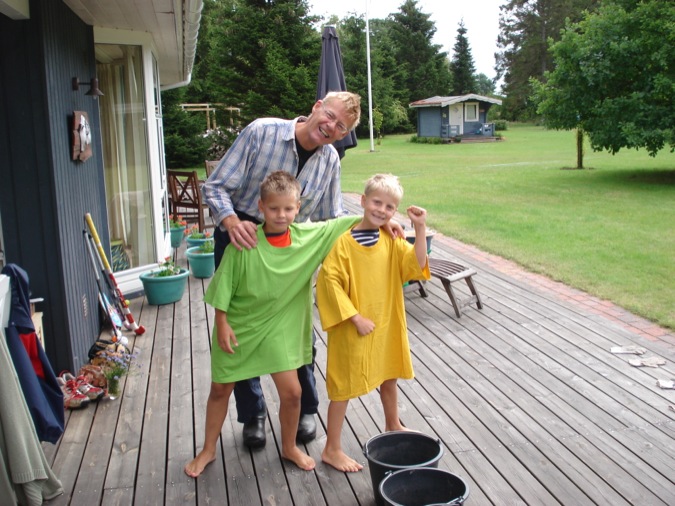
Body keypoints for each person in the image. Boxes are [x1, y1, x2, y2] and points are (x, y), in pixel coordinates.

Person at [202, 91, 381, 449]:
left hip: (289, 249)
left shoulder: (330, 160)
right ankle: (252, 414)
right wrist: (232, 221)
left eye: (341, 127)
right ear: (316, 108)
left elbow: (331, 215)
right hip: (242, 237)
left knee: (298, 329)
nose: (331, 127)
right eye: (330, 116)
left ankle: (305, 409)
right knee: (239, 329)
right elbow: (216, 186)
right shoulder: (262, 131)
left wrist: (376, 223)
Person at [185, 171, 362, 478]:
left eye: (289, 208)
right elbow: (222, 288)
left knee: (293, 393)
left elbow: (350, 222)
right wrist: (221, 323)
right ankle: (208, 449)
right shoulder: (244, 242)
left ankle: (289, 447)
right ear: (261, 207)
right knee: (220, 389)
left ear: (298, 208)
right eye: (274, 208)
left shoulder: (309, 237)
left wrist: (389, 222)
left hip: (279, 329)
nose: (282, 215)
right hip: (239, 326)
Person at [315, 173, 431, 472]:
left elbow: (417, 264)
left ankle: (393, 423)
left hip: (385, 323)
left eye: (390, 207)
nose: (382, 210)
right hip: (353, 326)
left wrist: (419, 228)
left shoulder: (390, 240)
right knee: (342, 387)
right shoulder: (344, 244)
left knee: (389, 374)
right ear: (363, 201)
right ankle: (332, 448)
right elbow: (329, 283)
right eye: (377, 203)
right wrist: (355, 317)